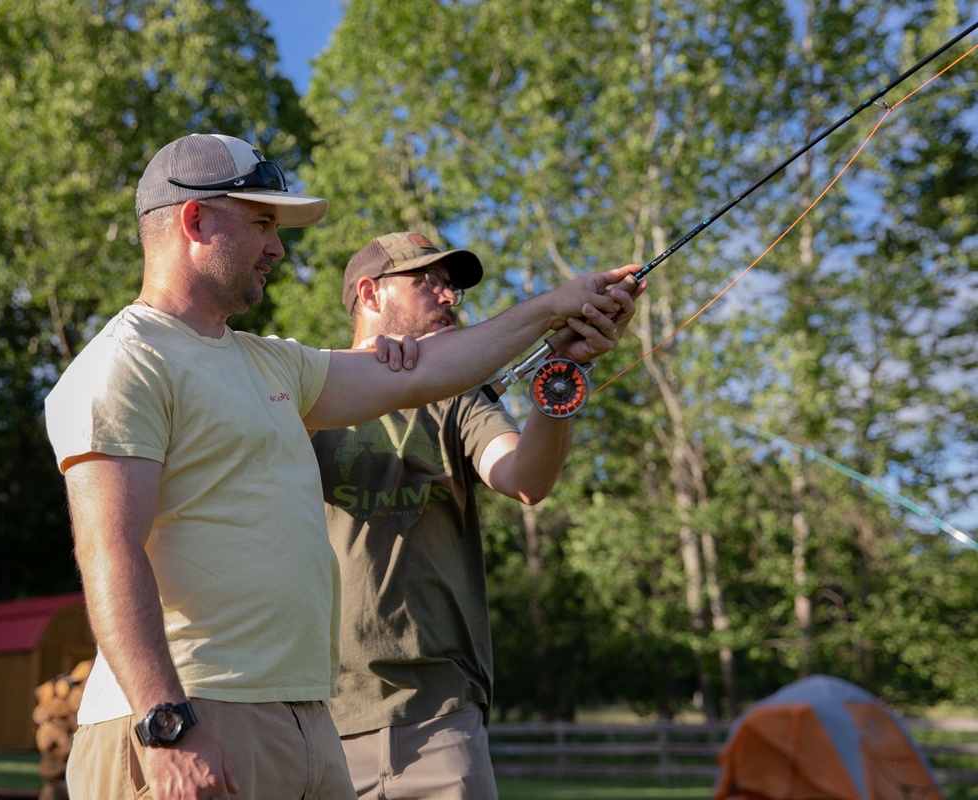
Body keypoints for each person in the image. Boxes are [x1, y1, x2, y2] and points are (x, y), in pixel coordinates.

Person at [44, 133, 641, 800]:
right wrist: (166, 725)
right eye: (263, 222)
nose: (277, 247)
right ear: (195, 220)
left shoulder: (270, 363)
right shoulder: (127, 361)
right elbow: (109, 553)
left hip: (303, 720)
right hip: (196, 714)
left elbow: (436, 369)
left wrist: (558, 307)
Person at [313, 232, 645, 799]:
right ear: (370, 294)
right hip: (314, 722)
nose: (449, 298)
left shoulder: (461, 399)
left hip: (441, 719)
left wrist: (561, 370)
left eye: (452, 287)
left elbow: (524, 478)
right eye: (428, 283)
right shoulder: (304, 388)